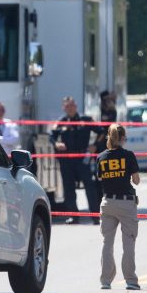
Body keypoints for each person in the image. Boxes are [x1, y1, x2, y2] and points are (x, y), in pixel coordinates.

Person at [97, 123, 141, 290]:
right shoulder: (128, 155)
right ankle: (130, 280)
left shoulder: (100, 157)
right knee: (128, 242)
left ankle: (105, 281)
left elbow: (101, 179)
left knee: (107, 242)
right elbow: (136, 180)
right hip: (126, 202)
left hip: (107, 202)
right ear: (122, 139)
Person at [50, 96, 100, 224]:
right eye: (67, 106)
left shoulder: (86, 120)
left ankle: (95, 215)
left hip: (83, 158)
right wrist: (56, 144)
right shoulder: (61, 122)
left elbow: (102, 131)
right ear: (64, 108)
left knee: (90, 186)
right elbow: (52, 136)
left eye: (72, 105)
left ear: (76, 106)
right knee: (68, 188)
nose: (70, 108)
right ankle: (73, 215)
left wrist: (95, 145)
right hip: (67, 159)